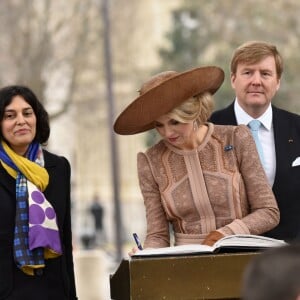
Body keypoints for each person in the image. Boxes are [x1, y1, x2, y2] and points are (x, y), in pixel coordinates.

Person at [113, 66, 279, 252]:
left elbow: (268, 212)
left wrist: (226, 234)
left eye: (175, 122)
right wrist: (146, 252)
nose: (167, 132)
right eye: (159, 125)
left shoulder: (236, 138)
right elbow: (158, 234)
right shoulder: (150, 161)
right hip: (185, 267)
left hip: (241, 257)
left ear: (193, 113)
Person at [210, 41, 300, 242]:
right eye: (248, 72)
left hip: (293, 260)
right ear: (233, 79)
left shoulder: (297, 127)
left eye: (265, 74)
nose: (256, 81)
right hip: (226, 256)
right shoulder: (209, 130)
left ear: (277, 82)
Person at [0, 85, 77, 299]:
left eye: (27, 113)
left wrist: (72, 295)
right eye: (9, 115)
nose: (21, 121)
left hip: (53, 289)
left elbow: (65, 235)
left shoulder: (59, 167)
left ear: (37, 118)